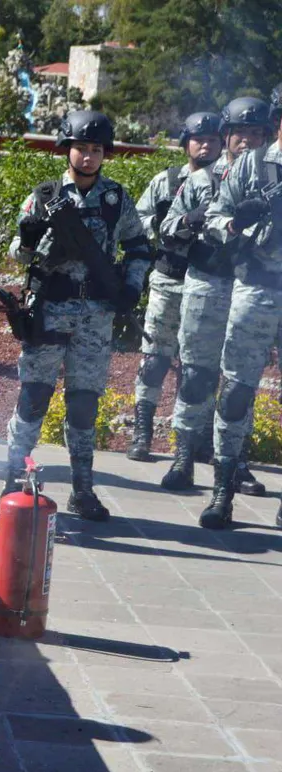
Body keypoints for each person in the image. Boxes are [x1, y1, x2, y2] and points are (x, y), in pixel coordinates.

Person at [0, 110, 151, 521]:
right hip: (49, 311)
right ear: (67, 149)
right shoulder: (45, 195)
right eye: (81, 148)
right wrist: (29, 238)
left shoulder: (115, 199)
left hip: (95, 316)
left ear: (105, 154)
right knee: (33, 397)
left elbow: (139, 248)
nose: (88, 156)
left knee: (84, 405)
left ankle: (82, 490)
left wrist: (133, 287)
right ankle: (13, 477)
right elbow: (17, 252)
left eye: (96, 149)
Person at [159, 97, 271, 497]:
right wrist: (194, 220)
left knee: (241, 381)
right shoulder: (205, 180)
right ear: (226, 136)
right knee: (196, 374)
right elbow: (167, 229)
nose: (248, 141)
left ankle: (236, 463)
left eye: (257, 134)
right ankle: (183, 457)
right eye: (240, 133)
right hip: (208, 283)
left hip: (253, 289)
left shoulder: (269, 180)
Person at [195, 94, 282, 528]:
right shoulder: (251, 165)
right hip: (257, 289)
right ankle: (222, 492)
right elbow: (213, 217)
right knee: (235, 393)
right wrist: (235, 223)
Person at [126, 112, 222, 461]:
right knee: (155, 359)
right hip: (170, 279)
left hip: (212, 283)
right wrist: (176, 226)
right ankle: (142, 432)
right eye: (199, 139)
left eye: (213, 138)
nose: (206, 145)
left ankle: (198, 440)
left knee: (203, 366)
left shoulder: (228, 181)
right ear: (186, 144)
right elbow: (137, 222)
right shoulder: (166, 182)